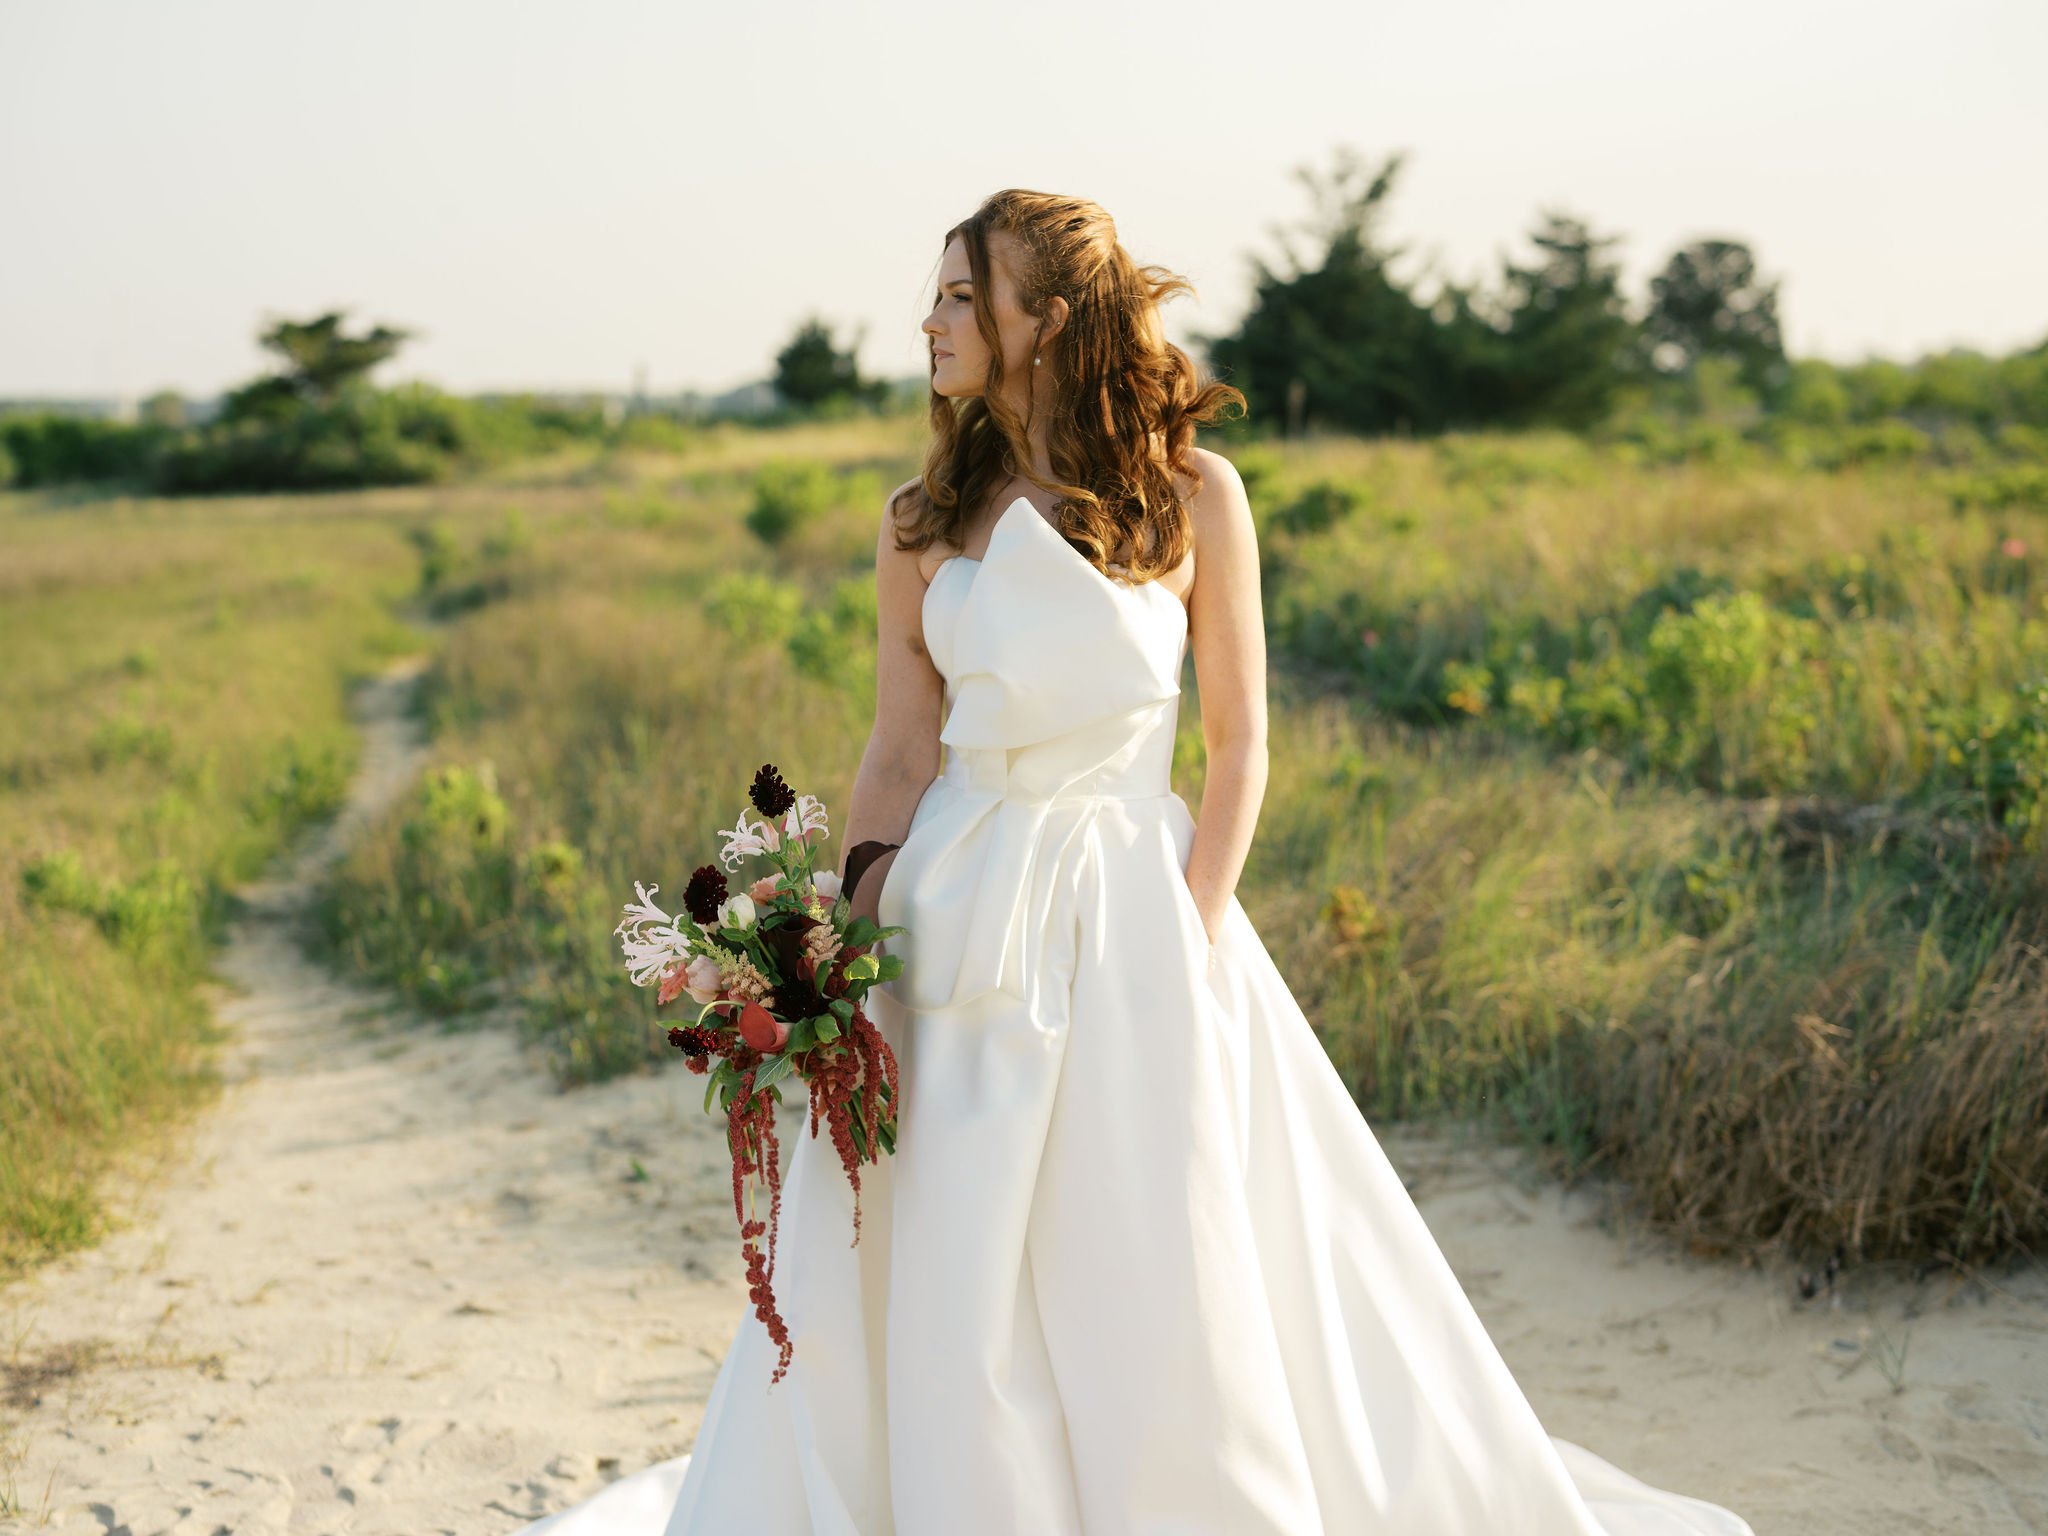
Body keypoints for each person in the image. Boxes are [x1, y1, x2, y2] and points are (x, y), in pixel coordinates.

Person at [511, 189, 1757, 1535]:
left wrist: (1191, 930)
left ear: (1045, 319)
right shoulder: (922, 518)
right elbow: (899, 747)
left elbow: (1241, 743)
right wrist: (843, 946)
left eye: (961, 294)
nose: (931, 320)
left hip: (1133, 912)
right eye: (938, 295)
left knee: (1151, 1240)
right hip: (950, 912)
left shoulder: (1192, 497)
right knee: (949, 1244)